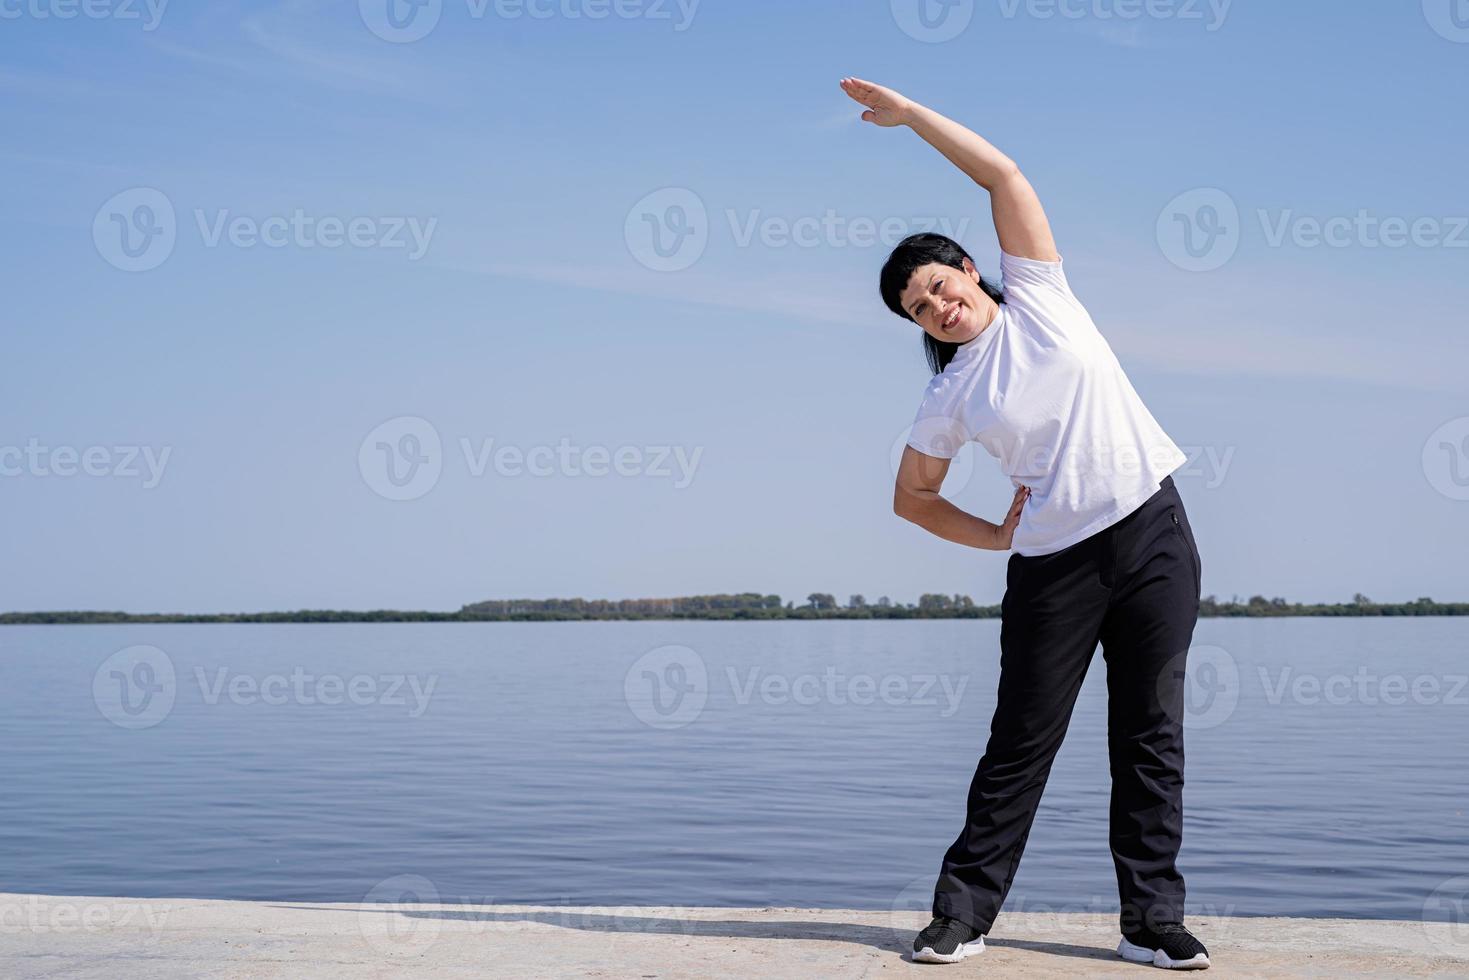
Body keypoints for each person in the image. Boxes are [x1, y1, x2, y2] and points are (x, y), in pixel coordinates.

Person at [840, 76, 1210, 970]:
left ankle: (1149, 922)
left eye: (937, 285)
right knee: (1020, 741)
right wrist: (997, 535)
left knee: (1150, 733)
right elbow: (912, 497)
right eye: (918, 310)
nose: (936, 308)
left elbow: (1002, 174)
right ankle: (961, 915)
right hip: (1054, 567)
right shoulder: (948, 393)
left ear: (968, 267)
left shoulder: (1042, 297)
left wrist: (913, 118)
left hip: (1153, 531)